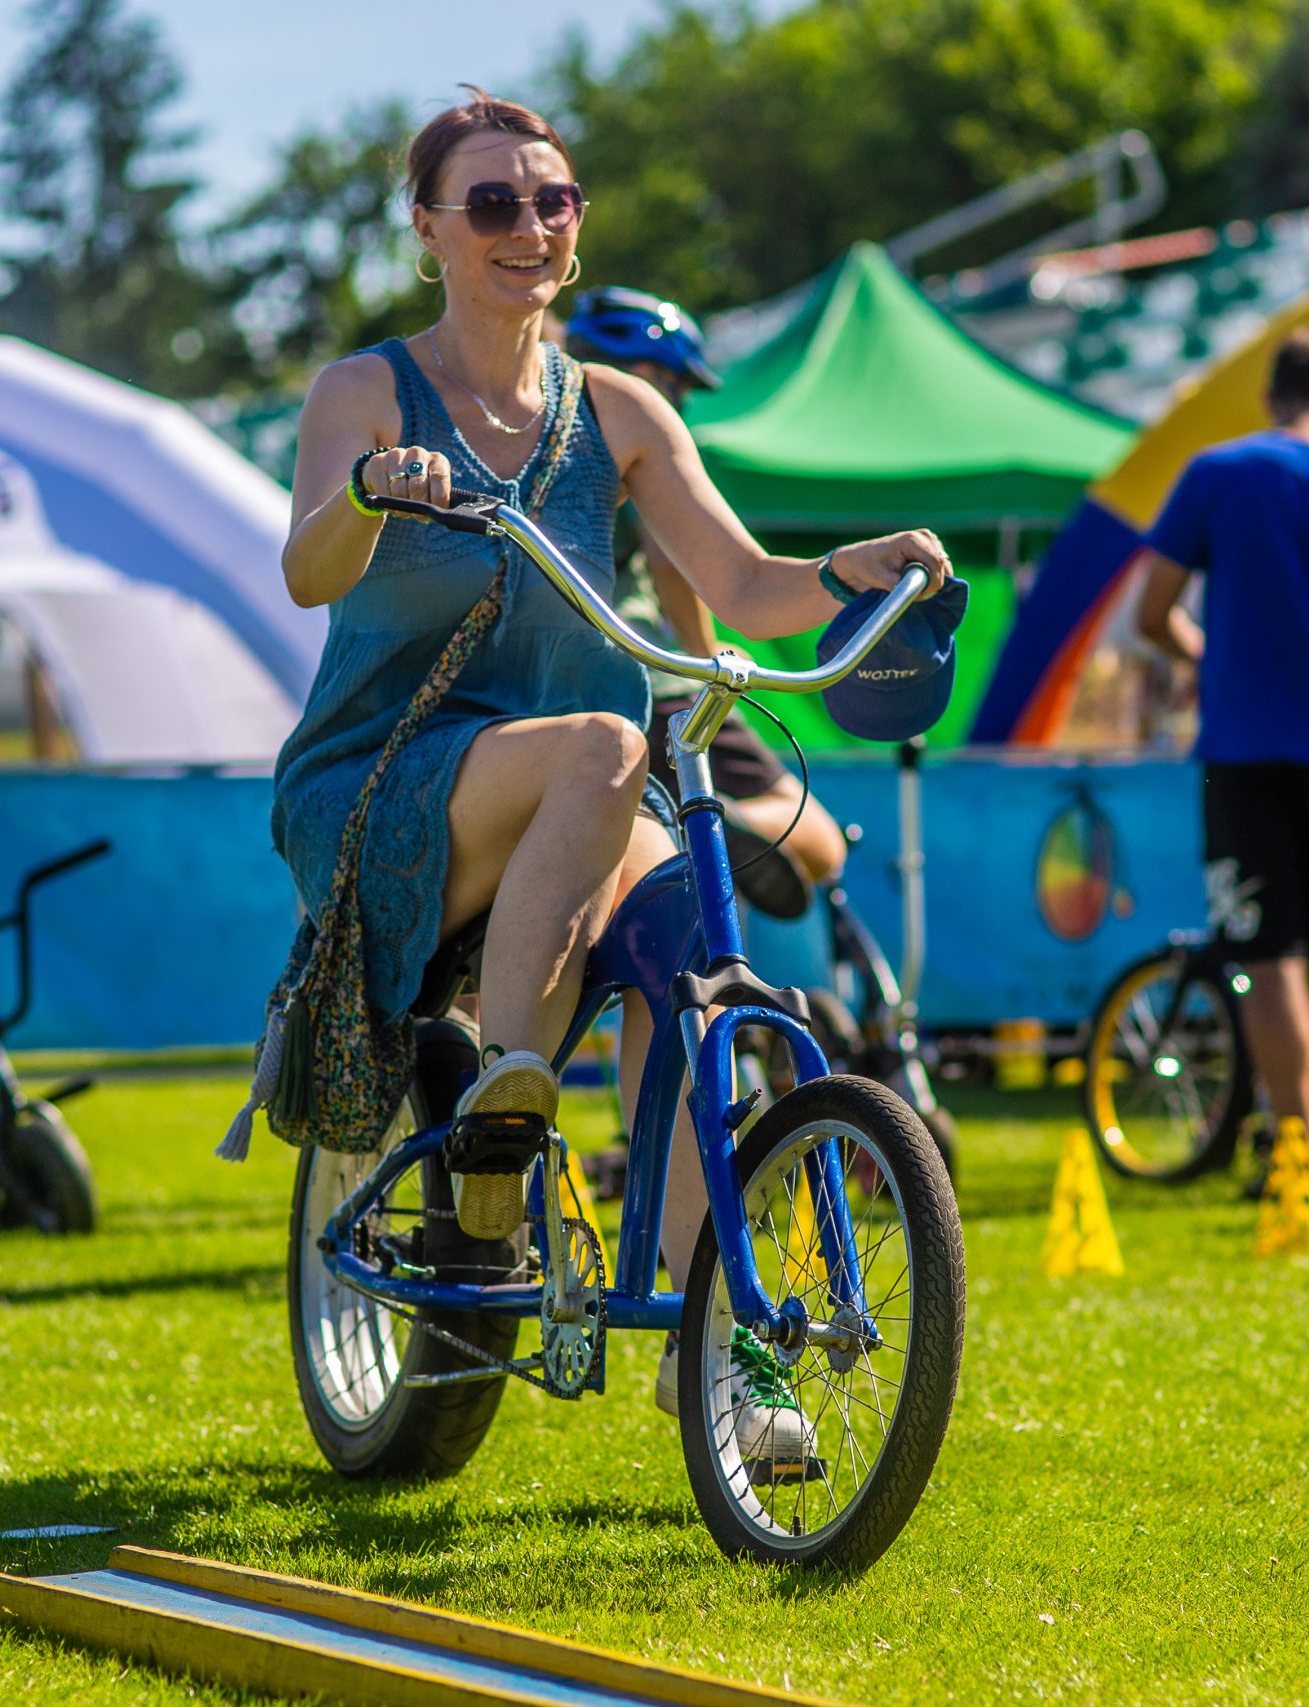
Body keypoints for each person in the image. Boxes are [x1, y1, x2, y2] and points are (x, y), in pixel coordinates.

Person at [269, 91, 951, 1454]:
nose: (528, 223)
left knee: (701, 962)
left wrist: (850, 568)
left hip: (580, 792)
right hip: (384, 776)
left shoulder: (620, 410)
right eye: (492, 201)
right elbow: (305, 572)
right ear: (428, 229)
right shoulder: (367, 392)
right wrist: (367, 493)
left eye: (553, 199)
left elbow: (746, 584)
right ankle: (504, 1107)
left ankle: (717, 1351)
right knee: (604, 743)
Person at [1129, 328, 1309, 1183]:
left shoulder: (1218, 473)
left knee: (1268, 956)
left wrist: (1206, 655)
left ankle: (1294, 1149)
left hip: (1246, 744)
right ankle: (1308, 1141)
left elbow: (1152, 613)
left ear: (1270, 398)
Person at [564, 285, 848, 888]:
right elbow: (672, 562)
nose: (681, 404)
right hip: (651, 682)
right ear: (648, 374)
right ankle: (698, 827)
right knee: (820, 842)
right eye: (680, 387)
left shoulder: (532, 433)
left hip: (548, 695)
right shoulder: (635, 436)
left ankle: (662, 833)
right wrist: (704, 661)